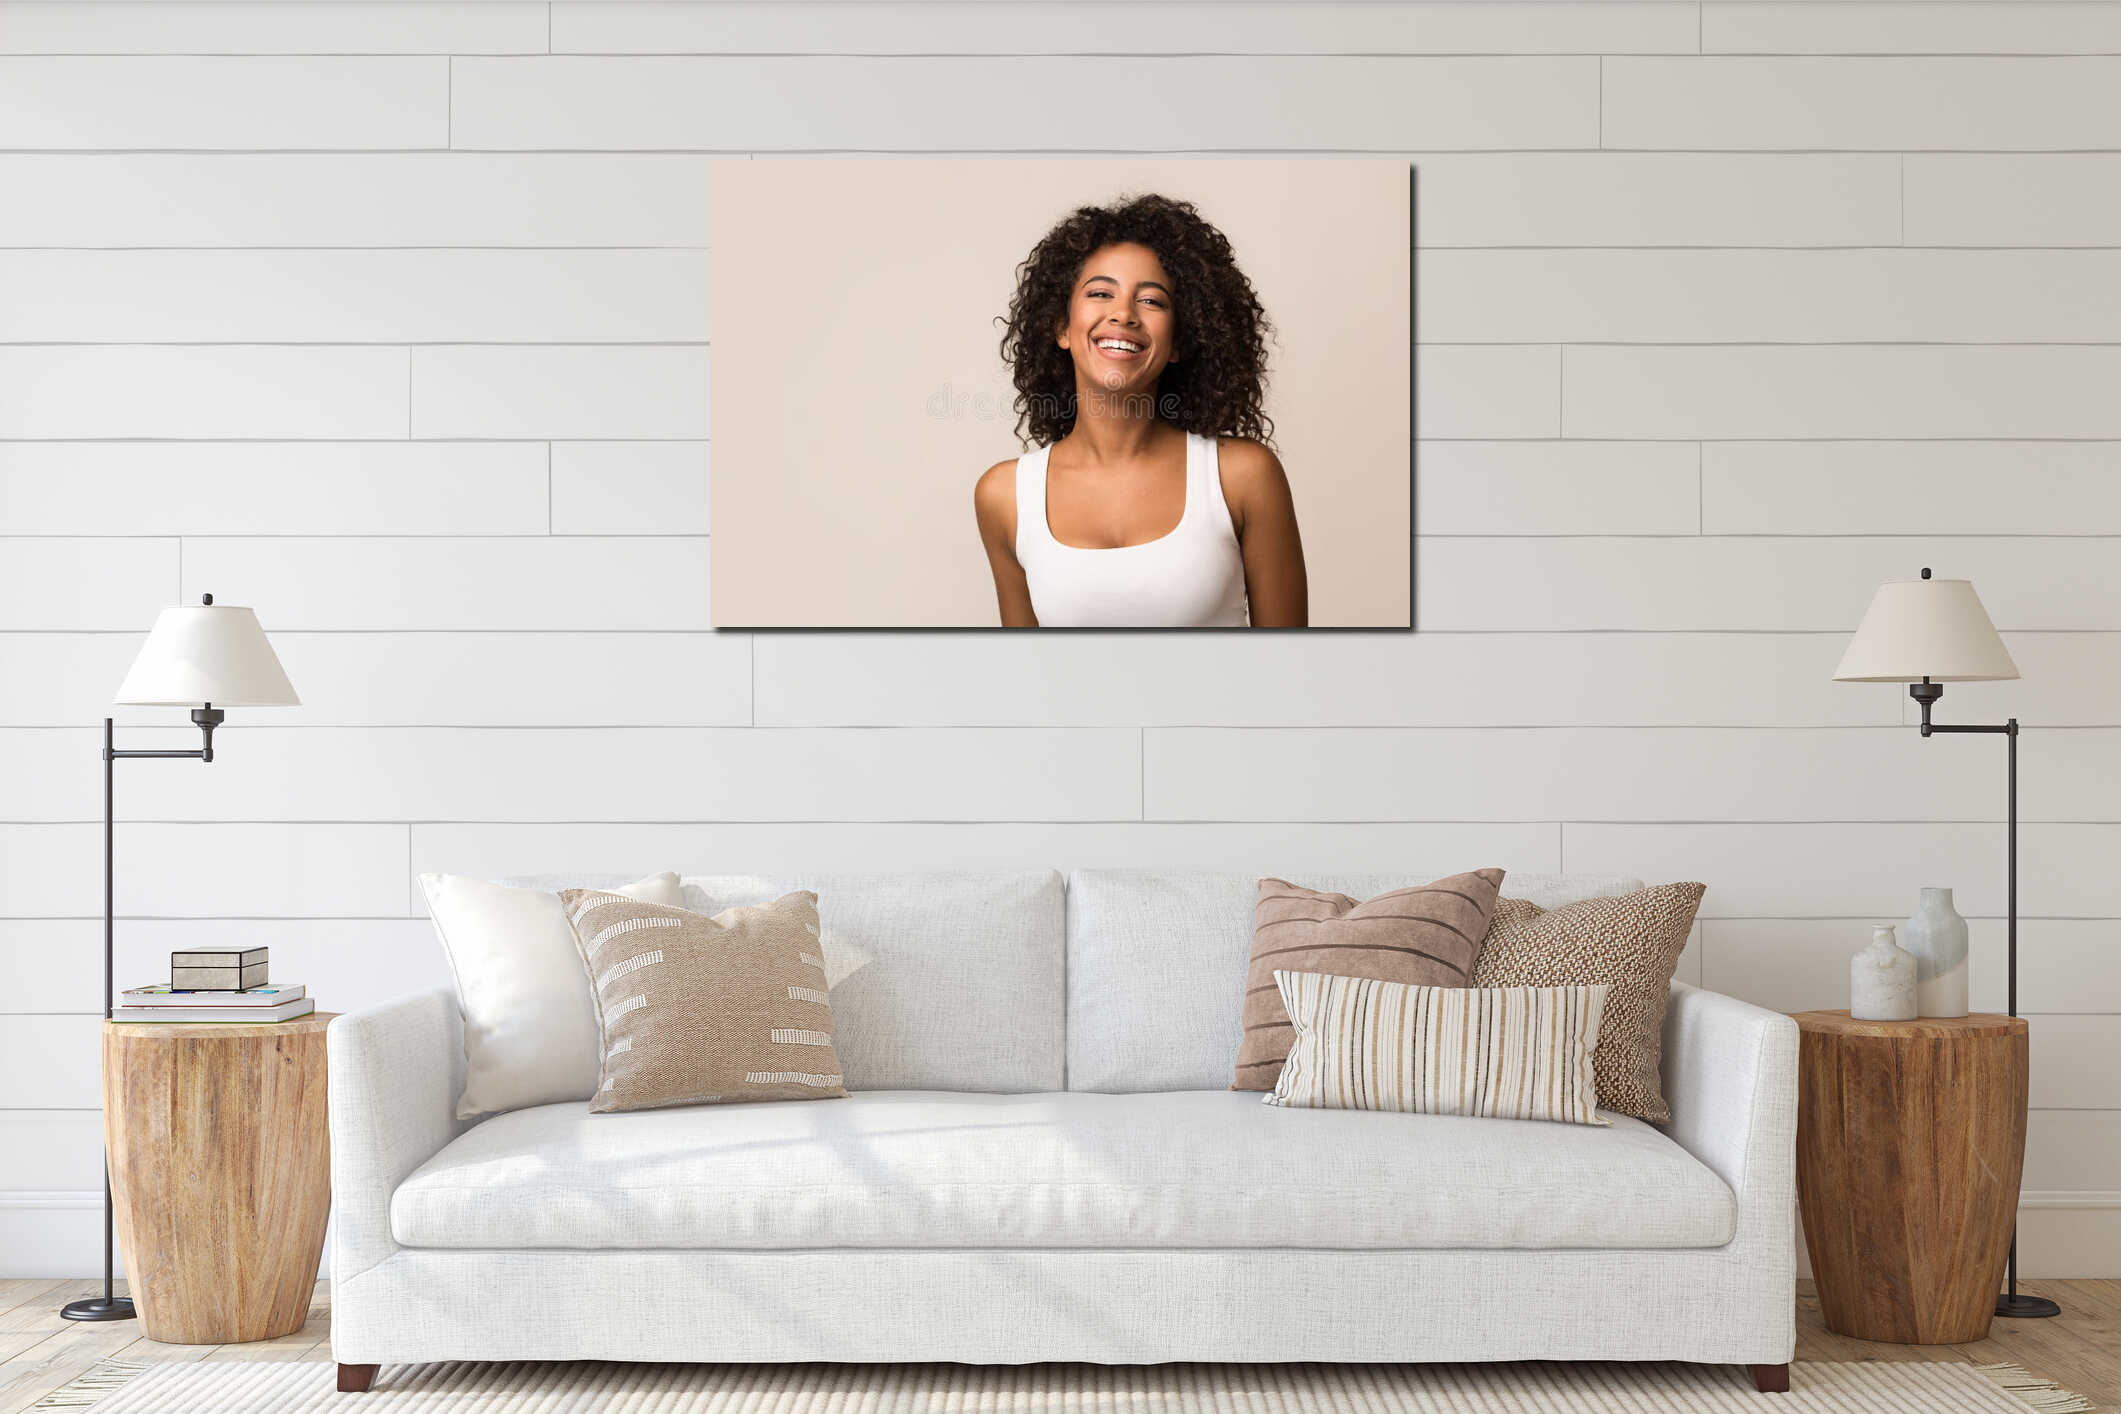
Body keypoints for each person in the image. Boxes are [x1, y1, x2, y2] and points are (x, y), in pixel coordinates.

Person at [974, 194, 1307, 628]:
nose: (1123, 314)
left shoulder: (1243, 477)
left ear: (1179, 342)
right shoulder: (1005, 497)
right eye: (1100, 293)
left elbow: (1291, 660)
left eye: (1151, 301)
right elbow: (1025, 666)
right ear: (1061, 328)